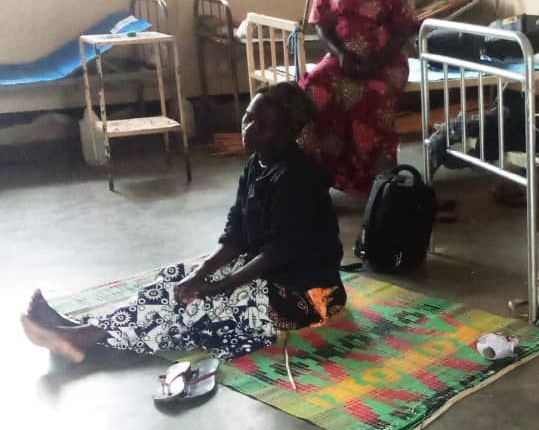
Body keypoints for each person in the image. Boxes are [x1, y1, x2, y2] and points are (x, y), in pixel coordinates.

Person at [21, 82, 347, 362]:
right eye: (248, 118)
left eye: (261, 125)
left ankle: (87, 339)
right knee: (174, 280)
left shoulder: (299, 179)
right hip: (269, 276)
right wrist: (199, 274)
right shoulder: (256, 165)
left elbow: (279, 252)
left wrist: (218, 285)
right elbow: (236, 235)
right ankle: (80, 328)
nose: (248, 129)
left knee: (202, 304)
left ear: (289, 133)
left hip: (307, 296)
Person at [300, 0, 417, 195]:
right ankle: (318, 178)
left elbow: (405, 27)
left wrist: (378, 58)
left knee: (371, 96)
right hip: (341, 57)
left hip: (386, 59)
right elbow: (320, 25)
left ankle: (378, 184)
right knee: (312, 90)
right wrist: (340, 54)